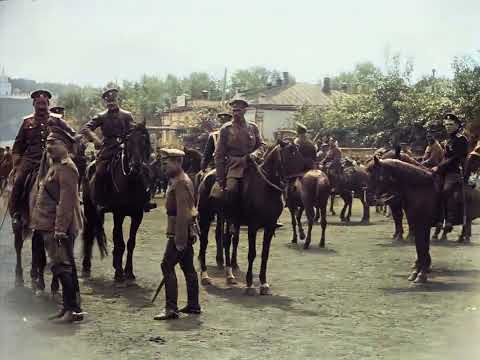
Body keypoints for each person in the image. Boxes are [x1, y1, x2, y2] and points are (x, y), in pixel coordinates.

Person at [31, 126, 84, 323]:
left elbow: (66, 202)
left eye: (54, 143)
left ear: (66, 146)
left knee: (62, 267)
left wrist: (60, 229)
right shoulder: (55, 165)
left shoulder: (68, 168)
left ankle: (72, 310)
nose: (49, 146)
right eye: (48, 143)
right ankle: (68, 308)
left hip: (57, 227)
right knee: (58, 266)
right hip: (47, 224)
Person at [80, 88, 155, 210]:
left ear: (117, 100)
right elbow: (86, 128)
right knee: (100, 171)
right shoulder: (101, 116)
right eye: (108, 101)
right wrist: (96, 139)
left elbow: (133, 130)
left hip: (126, 148)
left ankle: (144, 199)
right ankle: (100, 200)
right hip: (108, 149)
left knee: (144, 169)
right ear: (105, 102)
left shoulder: (127, 115)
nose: (111, 103)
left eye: (113, 100)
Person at [10, 90, 75, 230]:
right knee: (19, 180)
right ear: (33, 104)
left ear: (48, 104)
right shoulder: (27, 122)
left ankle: (74, 209)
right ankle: (16, 214)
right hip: (31, 160)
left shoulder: (57, 119)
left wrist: (69, 151)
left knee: (70, 177)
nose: (41, 107)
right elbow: (17, 146)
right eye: (38, 104)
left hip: (54, 159)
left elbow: (72, 135)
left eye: (44, 104)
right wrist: (16, 165)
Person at [154, 148, 200, 321]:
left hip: (179, 232)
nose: (163, 167)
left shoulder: (181, 182)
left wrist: (179, 239)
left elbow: (183, 213)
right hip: (183, 231)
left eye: (166, 163)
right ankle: (193, 305)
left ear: (177, 162)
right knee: (188, 267)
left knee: (166, 265)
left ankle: (171, 308)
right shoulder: (178, 180)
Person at [214, 98, 262, 207]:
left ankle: (270, 217)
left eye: (239, 110)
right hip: (234, 167)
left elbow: (261, 145)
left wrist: (256, 154)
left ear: (245, 111)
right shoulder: (226, 129)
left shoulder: (253, 127)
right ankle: (231, 218)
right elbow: (219, 154)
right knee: (231, 190)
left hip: (253, 165)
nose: (236, 113)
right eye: (234, 110)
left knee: (270, 185)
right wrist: (220, 179)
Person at [432, 113, 469, 232]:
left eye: (451, 124)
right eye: (446, 124)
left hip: (454, 172)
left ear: (457, 125)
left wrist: (439, 167)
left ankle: (449, 219)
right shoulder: (448, 139)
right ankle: (436, 218)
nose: (447, 127)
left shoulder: (461, 139)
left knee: (446, 190)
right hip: (443, 171)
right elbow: (445, 157)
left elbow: (455, 158)